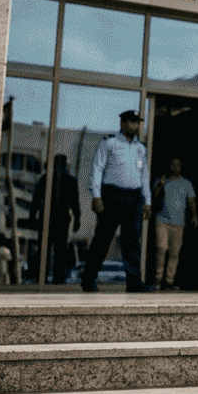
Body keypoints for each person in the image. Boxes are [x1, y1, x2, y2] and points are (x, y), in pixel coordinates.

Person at [80, 110, 151, 293]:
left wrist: (147, 200)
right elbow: (97, 168)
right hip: (112, 195)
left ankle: (134, 282)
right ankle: (88, 279)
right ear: (123, 123)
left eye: (138, 122)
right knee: (103, 239)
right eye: (132, 122)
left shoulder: (140, 148)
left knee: (132, 242)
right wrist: (96, 196)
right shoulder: (109, 142)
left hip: (134, 197)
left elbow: (144, 175)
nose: (136, 126)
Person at [31, 154, 82, 284]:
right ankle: (54, 277)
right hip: (58, 218)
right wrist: (77, 219)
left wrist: (32, 216)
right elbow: (75, 202)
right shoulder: (66, 180)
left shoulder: (46, 179)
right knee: (57, 249)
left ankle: (46, 276)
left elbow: (36, 200)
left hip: (51, 218)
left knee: (49, 249)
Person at [153, 158, 197, 290]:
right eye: (173, 165)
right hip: (162, 220)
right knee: (161, 248)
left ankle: (169, 281)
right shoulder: (162, 180)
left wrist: (194, 215)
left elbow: (191, 200)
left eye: (178, 165)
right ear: (169, 166)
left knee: (174, 252)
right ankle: (157, 279)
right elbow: (154, 196)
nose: (175, 167)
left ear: (181, 167)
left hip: (179, 222)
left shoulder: (186, 183)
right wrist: (160, 185)